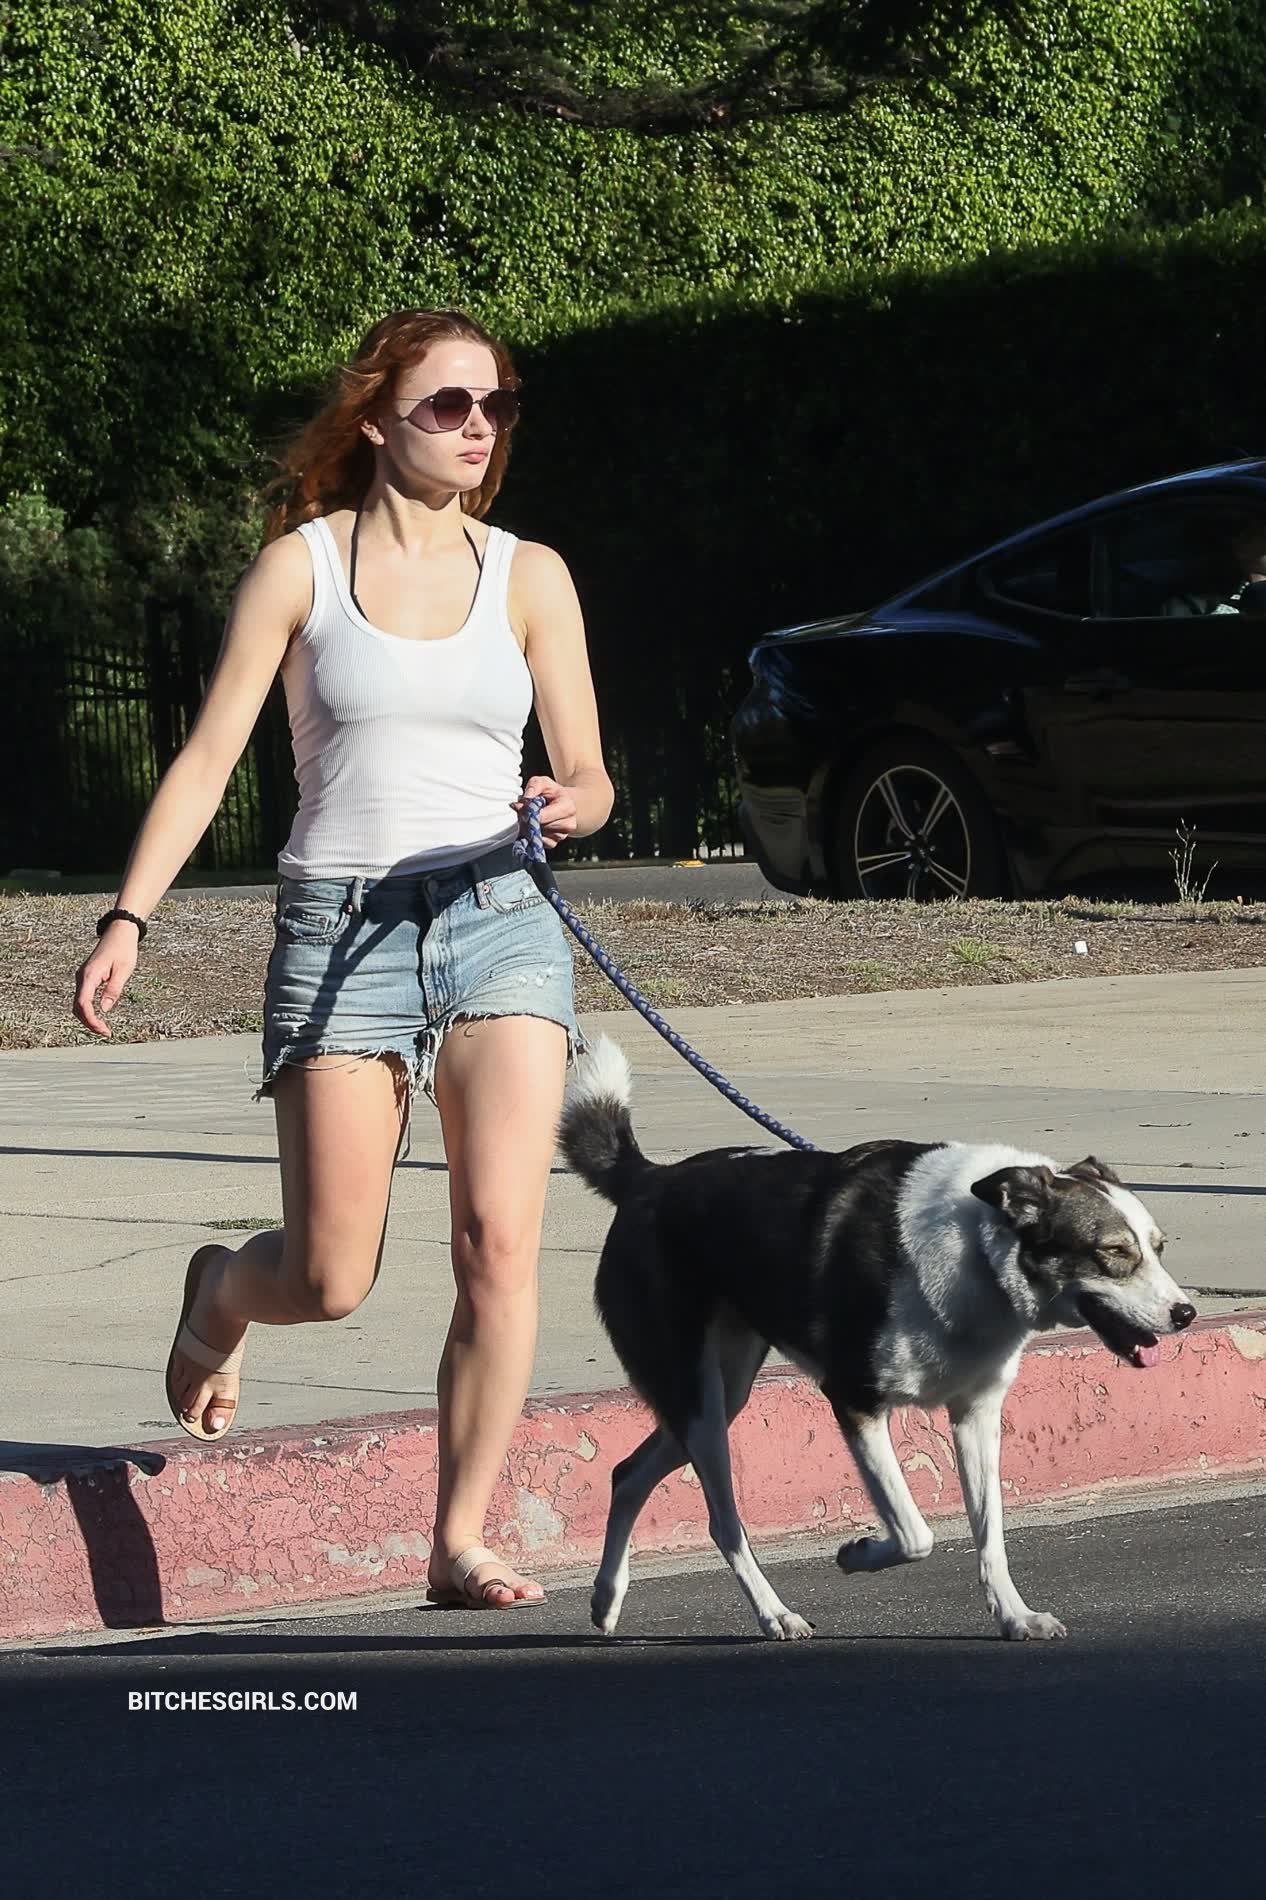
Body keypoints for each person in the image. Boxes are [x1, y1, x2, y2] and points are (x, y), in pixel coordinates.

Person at [73, 308, 614, 1610]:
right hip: (341, 930)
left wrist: (572, 802)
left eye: (496, 403)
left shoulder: (530, 575)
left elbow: (592, 772)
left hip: (498, 919)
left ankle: (458, 1538)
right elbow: (209, 756)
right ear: (376, 420)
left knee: (498, 1242)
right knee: (328, 1276)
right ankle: (222, 1292)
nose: (478, 426)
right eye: (448, 404)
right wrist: (129, 918)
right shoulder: (299, 570)